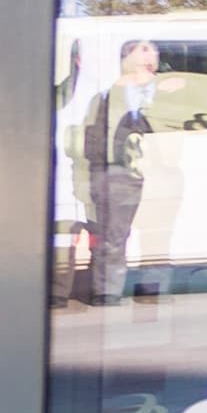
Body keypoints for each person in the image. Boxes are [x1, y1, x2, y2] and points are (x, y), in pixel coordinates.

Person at [74, 40, 157, 305]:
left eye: (154, 50)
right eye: (143, 50)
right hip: (118, 174)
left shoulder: (159, 95)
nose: (151, 56)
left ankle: (149, 287)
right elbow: (93, 142)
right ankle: (106, 291)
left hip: (151, 174)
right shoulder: (107, 97)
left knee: (151, 234)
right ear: (126, 59)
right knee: (113, 235)